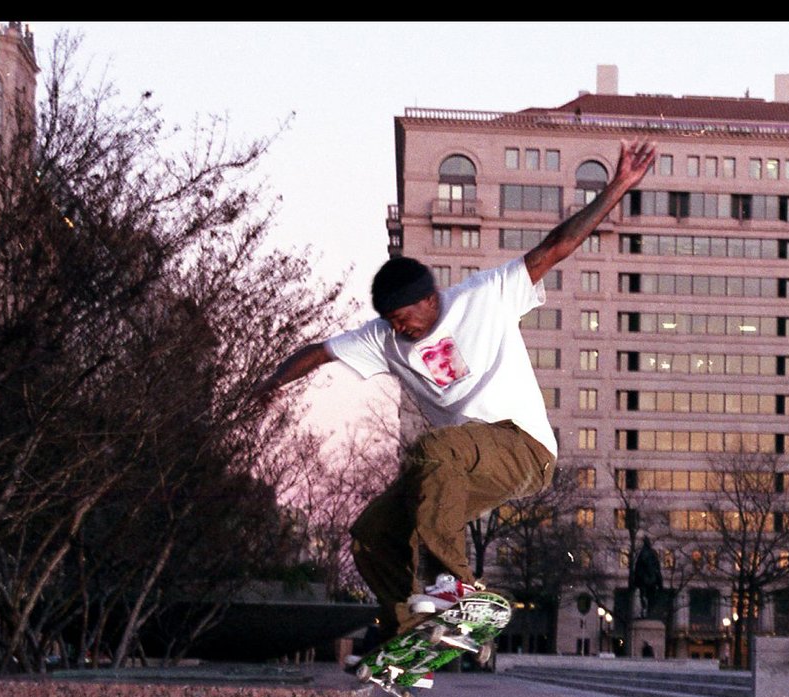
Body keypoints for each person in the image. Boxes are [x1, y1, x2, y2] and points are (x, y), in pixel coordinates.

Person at [258, 139, 658, 644]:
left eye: (406, 320)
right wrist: (270, 383)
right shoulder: (382, 337)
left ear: (431, 301)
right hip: (461, 466)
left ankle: (460, 593)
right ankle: (413, 630)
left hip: (521, 446)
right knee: (373, 535)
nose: (400, 331)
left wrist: (617, 186)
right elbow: (319, 351)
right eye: (392, 324)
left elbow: (557, 245)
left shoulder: (484, 295)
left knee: (433, 449)